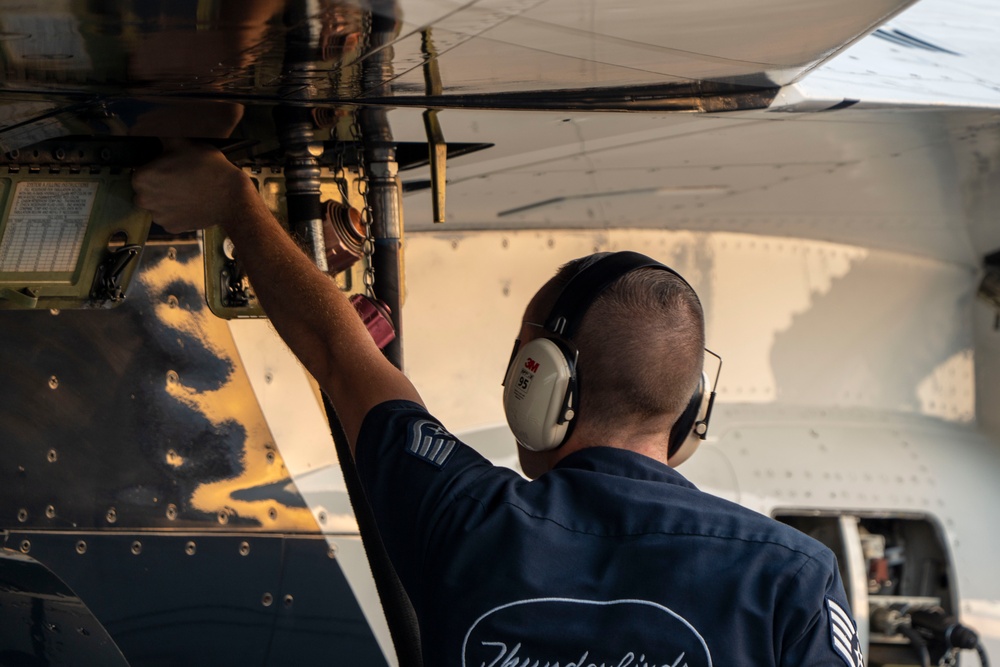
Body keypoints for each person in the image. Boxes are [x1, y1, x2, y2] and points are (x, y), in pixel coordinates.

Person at [134, 141, 865, 667]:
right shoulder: (794, 579)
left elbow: (337, 352)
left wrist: (232, 202)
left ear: (539, 382)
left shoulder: (468, 524)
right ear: (688, 412)